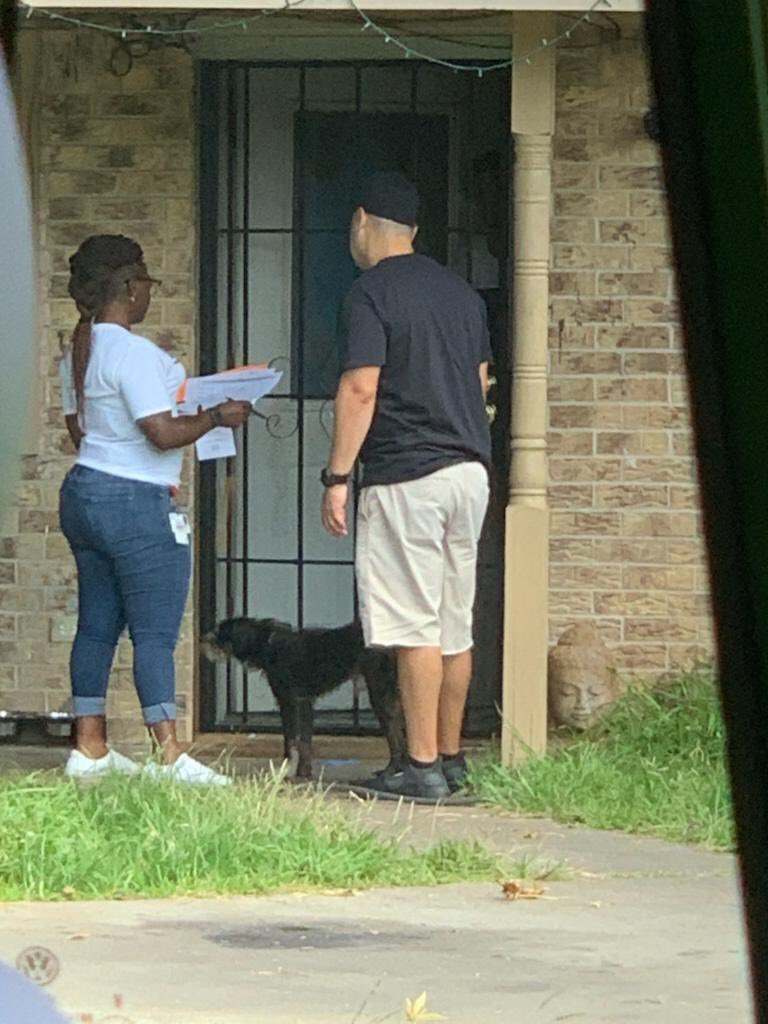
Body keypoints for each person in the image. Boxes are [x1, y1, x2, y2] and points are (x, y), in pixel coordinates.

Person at [321, 172, 491, 802]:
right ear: (414, 230)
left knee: (414, 626)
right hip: (468, 474)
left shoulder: (369, 294)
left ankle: (417, 768)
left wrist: (338, 476)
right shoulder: (463, 295)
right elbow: (478, 384)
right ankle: (450, 759)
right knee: (455, 625)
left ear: (362, 221)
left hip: (406, 475)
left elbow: (361, 386)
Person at [59, 234, 252, 785]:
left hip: (84, 492)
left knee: (96, 625)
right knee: (155, 632)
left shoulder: (77, 352)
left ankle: (90, 746)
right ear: (127, 287)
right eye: (144, 284)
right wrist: (216, 417)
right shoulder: (134, 354)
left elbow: (78, 430)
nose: (147, 295)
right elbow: (162, 432)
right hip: (137, 502)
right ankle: (168, 755)